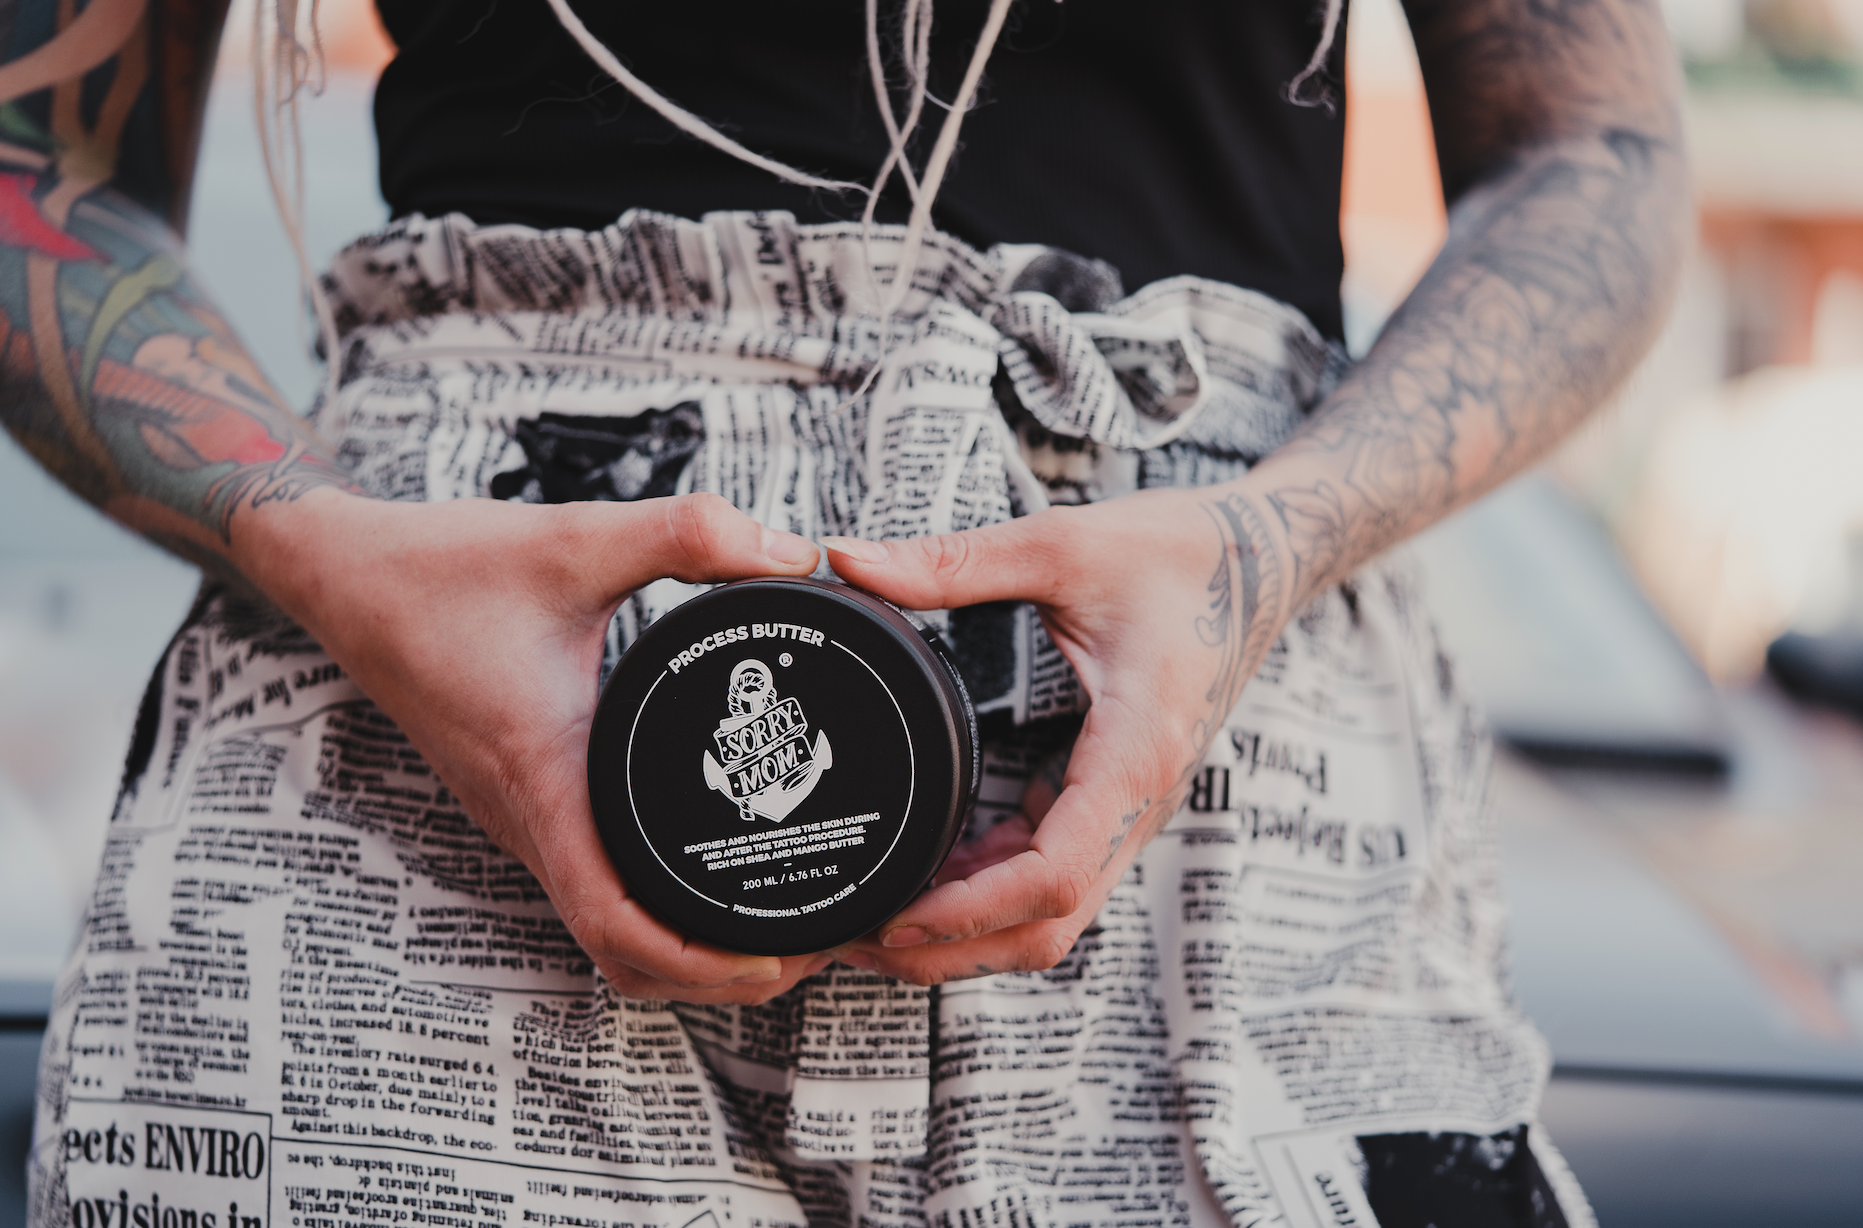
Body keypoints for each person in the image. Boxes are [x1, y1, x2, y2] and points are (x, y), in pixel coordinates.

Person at [0, 1, 1685, 1226]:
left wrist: (1269, 540)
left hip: (1205, 727)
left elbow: (1593, 149)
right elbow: (30, 155)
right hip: (430, 738)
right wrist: (326, 553)